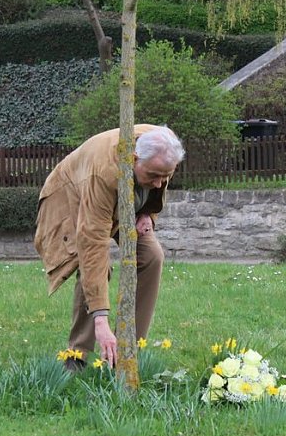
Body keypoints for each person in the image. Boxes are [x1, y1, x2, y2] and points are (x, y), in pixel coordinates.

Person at [34, 125, 185, 367]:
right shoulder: (104, 173)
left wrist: (147, 213)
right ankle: (78, 355)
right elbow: (93, 245)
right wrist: (101, 319)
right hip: (74, 194)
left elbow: (158, 183)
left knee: (151, 256)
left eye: (164, 176)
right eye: (154, 175)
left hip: (122, 199)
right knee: (94, 266)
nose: (159, 183)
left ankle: (128, 349)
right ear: (133, 159)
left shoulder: (165, 151)